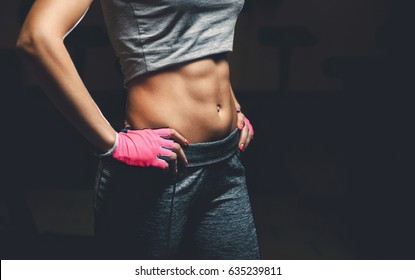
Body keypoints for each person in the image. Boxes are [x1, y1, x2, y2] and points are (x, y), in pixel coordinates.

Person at [16, 0, 259, 259]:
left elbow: (200, 38)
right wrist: (112, 142)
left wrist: (230, 104)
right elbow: (37, 37)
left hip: (226, 160)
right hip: (160, 165)